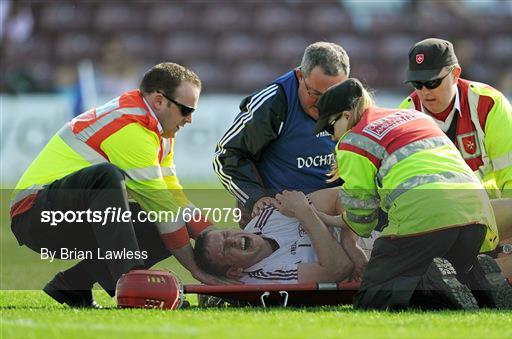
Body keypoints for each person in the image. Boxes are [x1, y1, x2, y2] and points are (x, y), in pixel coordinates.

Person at [10, 62, 228, 308]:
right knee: (107, 177)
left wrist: (214, 235)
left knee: (164, 226)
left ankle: (74, 284)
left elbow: (175, 201)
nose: (189, 119)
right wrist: (199, 272)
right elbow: (164, 210)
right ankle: (134, 287)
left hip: (66, 210)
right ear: (158, 101)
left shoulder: (159, 132)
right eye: (186, 110)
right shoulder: (131, 128)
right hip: (35, 214)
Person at [312, 78, 512, 310]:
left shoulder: (353, 142)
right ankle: (477, 277)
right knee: (451, 273)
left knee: (373, 297)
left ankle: (431, 283)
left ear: (346, 115)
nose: (332, 137)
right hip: (477, 218)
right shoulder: (415, 116)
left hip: (428, 219)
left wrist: (330, 220)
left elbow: (362, 218)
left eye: (330, 127)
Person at [398, 38, 512, 258]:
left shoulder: (489, 104)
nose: (424, 92)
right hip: (440, 223)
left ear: (455, 74)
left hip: (492, 214)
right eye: (417, 83)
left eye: (432, 82)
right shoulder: (407, 115)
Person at [213, 42, 349, 225]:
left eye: (333, 95)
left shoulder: (353, 99)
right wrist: (256, 198)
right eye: (315, 94)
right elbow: (226, 154)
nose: (324, 104)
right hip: (283, 219)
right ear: (300, 76)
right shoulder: (273, 102)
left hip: (336, 214)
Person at [194, 188, 367, 285]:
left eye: (226, 234)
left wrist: (350, 241)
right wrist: (304, 212)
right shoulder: (266, 277)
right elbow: (339, 268)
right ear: (234, 271)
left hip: (366, 227)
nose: (231, 240)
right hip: (373, 263)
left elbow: (343, 195)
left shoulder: (266, 217)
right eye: (226, 249)